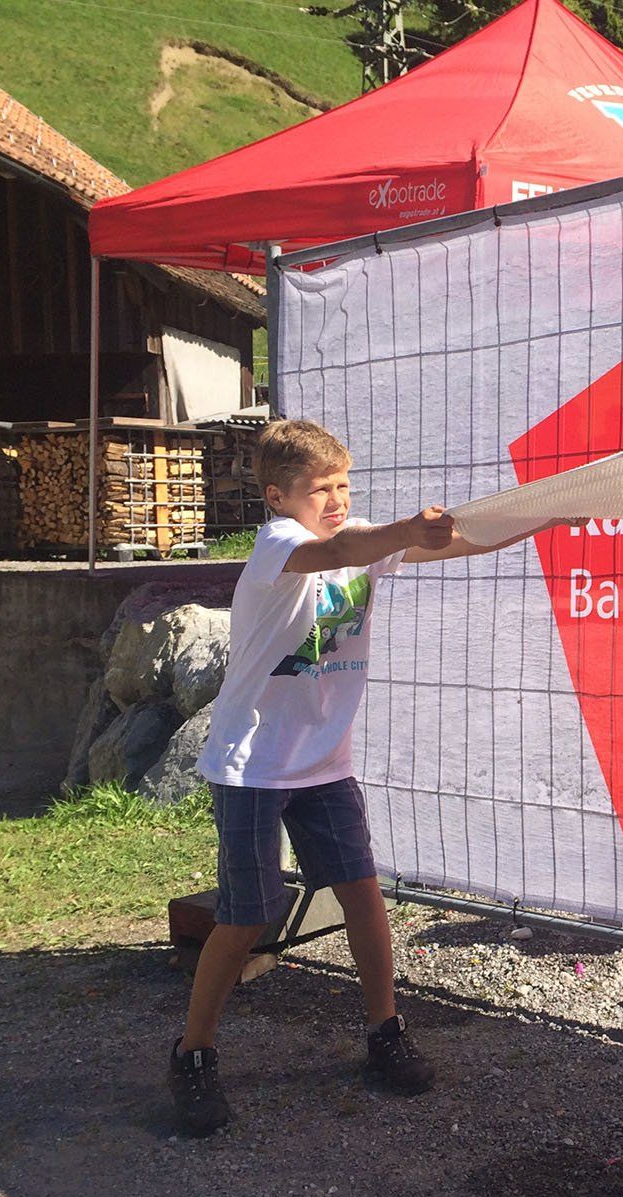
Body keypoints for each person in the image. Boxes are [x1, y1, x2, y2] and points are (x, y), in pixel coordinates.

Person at [168, 418, 552, 1137]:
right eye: (321, 489)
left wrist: (546, 516)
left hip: (322, 763)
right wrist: (406, 528)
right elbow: (341, 550)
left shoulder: (362, 539)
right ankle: (193, 1054)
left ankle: (385, 1031)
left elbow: (458, 543)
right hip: (253, 765)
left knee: (362, 895)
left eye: (344, 484)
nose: (338, 499)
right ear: (278, 496)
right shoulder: (280, 544)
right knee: (246, 916)